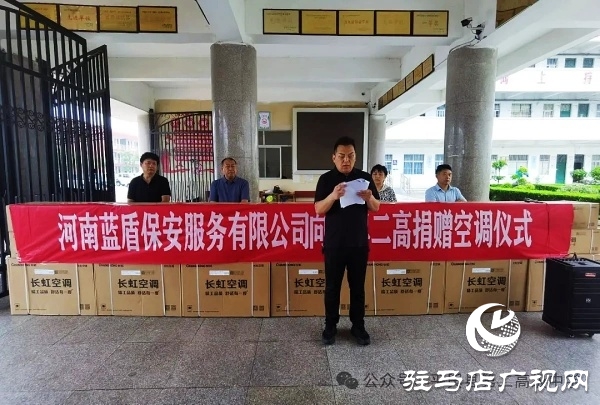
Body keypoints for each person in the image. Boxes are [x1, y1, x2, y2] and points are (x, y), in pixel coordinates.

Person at [314, 136, 380, 346]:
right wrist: (333, 196)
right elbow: (318, 209)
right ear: (333, 157)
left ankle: (358, 326)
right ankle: (330, 326)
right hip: (334, 244)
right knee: (332, 287)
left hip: (358, 244)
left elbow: (376, 207)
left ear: (355, 157)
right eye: (342, 156)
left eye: (350, 156)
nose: (346, 160)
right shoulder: (326, 179)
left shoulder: (364, 178)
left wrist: (369, 197)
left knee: (358, 288)